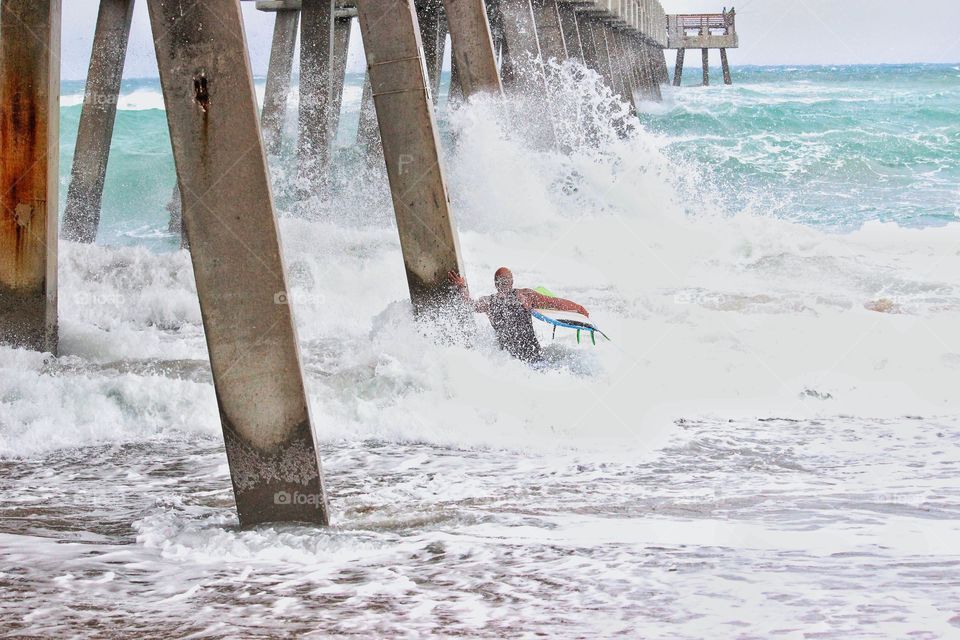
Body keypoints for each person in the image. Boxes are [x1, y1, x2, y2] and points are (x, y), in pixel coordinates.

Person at [448, 267, 589, 363]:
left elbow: (469, 305)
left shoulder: (488, 303)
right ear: (512, 282)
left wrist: (461, 287)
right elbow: (554, 303)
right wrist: (578, 308)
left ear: (496, 284)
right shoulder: (525, 296)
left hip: (509, 363)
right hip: (534, 358)